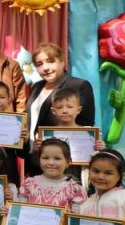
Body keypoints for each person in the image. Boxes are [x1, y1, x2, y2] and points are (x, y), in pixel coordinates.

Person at [25, 42, 96, 174]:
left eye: (50, 61)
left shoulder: (79, 85)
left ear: (62, 62)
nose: (45, 68)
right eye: (39, 64)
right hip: (35, 157)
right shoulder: (37, 87)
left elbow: (86, 124)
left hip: (64, 164)